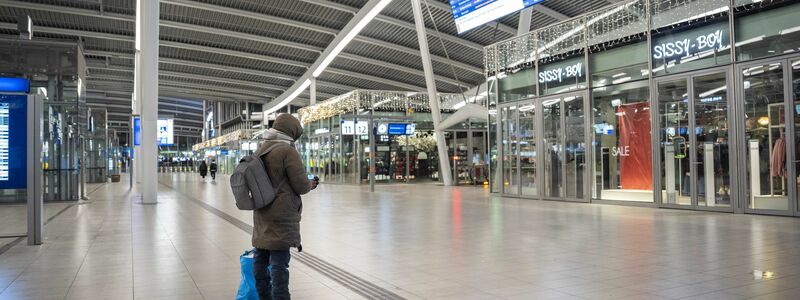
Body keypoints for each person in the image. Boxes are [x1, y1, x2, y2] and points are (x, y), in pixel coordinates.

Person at [252, 113, 319, 300]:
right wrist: (310, 183)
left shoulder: (262, 148)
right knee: (279, 262)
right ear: (291, 131)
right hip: (282, 213)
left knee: (261, 255)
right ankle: (281, 297)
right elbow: (300, 185)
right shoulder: (287, 151)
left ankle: (264, 296)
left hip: (262, 210)